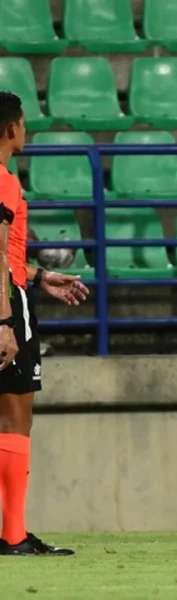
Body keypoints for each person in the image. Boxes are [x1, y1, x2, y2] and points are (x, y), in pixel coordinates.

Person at [0, 91, 90, 556]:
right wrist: (4, 320)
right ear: (12, 128)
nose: (26, 132)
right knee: (16, 420)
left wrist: (39, 275)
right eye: (24, 123)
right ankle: (12, 535)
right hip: (4, 304)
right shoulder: (4, 181)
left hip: (14, 288)